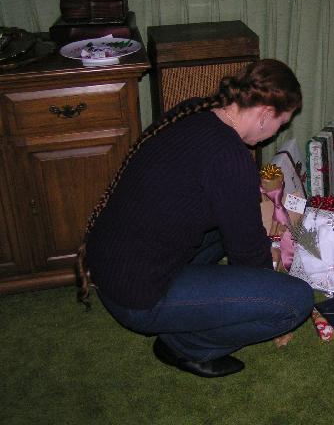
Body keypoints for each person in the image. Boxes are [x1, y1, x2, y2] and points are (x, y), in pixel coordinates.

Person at [77, 59, 315, 378]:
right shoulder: (229, 157)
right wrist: (268, 291)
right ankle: (185, 346)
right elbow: (249, 256)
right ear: (265, 114)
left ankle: (189, 312)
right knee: (295, 301)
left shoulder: (195, 110)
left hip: (111, 264)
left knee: (228, 226)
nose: (277, 132)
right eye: (281, 124)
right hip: (138, 295)